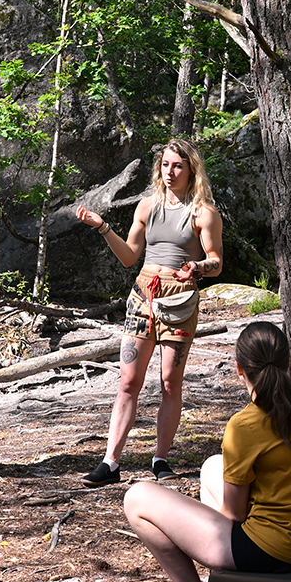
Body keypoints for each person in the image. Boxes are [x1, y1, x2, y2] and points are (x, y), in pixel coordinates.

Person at [121, 321, 291, 582]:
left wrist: (194, 532)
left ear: (238, 368)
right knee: (212, 466)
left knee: (137, 497)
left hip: (272, 552)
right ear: (289, 363)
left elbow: (233, 514)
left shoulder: (246, 424)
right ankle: (229, 581)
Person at [74, 139, 225, 486]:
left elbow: (216, 261)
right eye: (165, 165)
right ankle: (111, 462)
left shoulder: (203, 213)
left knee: (170, 383)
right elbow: (130, 257)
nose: (169, 172)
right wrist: (103, 227)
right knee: (128, 380)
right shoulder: (146, 207)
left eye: (177, 166)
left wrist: (197, 267)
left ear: (191, 171)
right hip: (142, 296)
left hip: (179, 300)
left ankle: (160, 459)